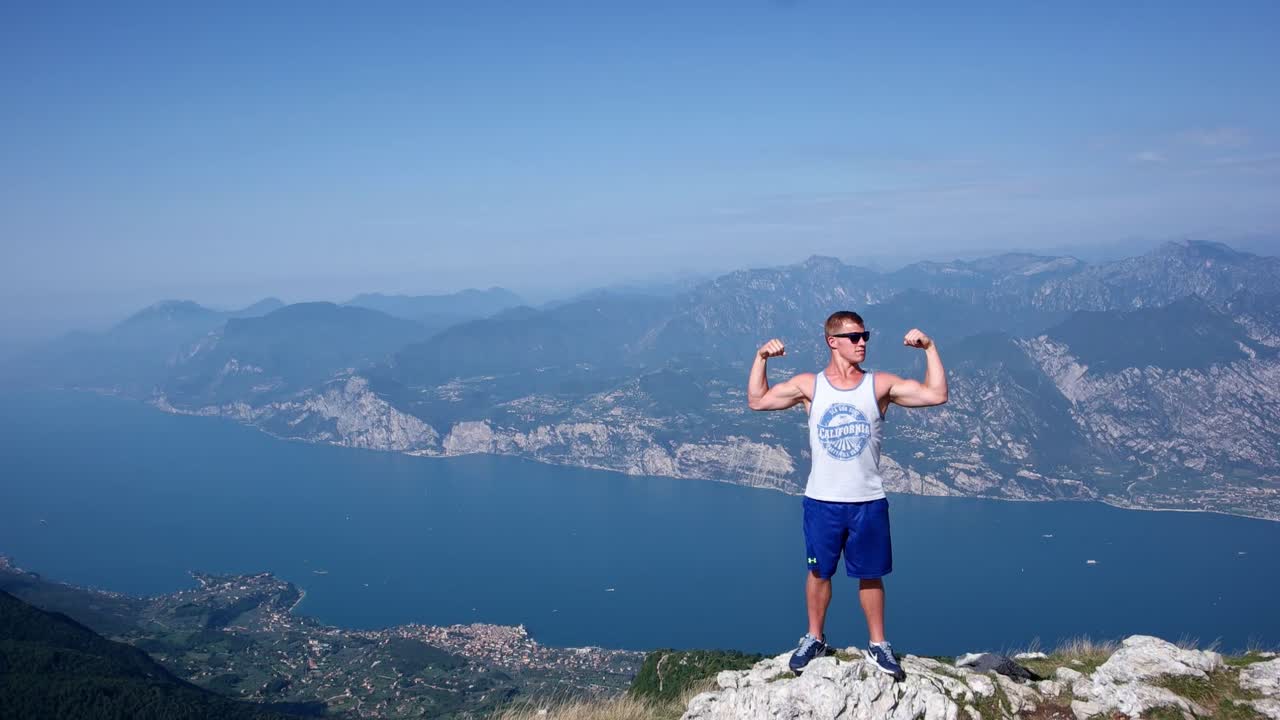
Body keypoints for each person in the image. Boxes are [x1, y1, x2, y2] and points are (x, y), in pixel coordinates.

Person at [747, 310, 948, 679]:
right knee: (819, 573)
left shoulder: (879, 385)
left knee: (871, 575)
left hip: (868, 500)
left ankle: (878, 645)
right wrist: (761, 358)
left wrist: (930, 348)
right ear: (832, 341)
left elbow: (937, 394)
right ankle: (814, 638)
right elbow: (757, 400)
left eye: (865, 336)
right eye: (854, 337)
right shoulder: (810, 386)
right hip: (821, 500)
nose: (862, 343)